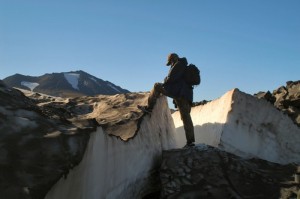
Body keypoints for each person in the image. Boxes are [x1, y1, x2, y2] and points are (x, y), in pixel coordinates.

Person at [142, 53, 195, 147]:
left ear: (173, 59)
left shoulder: (178, 65)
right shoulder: (183, 64)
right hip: (184, 94)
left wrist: (164, 81)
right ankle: (190, 142)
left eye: (170, 62)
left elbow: (171, 78)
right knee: (186, 117)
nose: (170, 64)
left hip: (181, 94)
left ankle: (149, 108)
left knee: (157, 86)